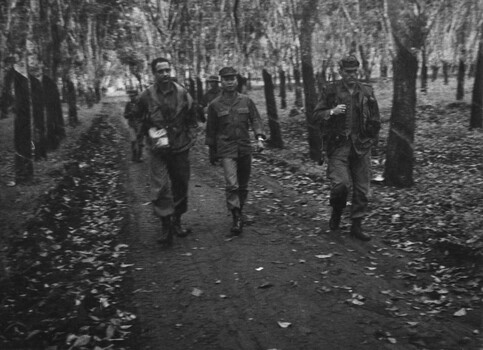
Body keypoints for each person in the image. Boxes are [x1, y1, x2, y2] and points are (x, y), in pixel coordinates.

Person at [311, 55, 381, 241]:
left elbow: (375, 120)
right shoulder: (331, 90)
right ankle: (336, 212)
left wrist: (374, 142)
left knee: (362, 188)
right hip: (338, 146)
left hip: (361, 146)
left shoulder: (366, 91)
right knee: (341, 185)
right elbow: (316, 116)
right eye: (347, 72)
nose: (351, 75)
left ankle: (356, 225)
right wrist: (331, 112)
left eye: (354, 72)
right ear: (340, 72)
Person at [135, 57, 198, 246]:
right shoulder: (145, 96)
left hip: (180, 146)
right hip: (157, 149)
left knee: (180, 184)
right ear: (154, 74)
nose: (164, 74)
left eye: (167, 70)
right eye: (160, 71)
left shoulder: (182, 93)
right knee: (160, 186)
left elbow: (192, 116)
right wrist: (147, 132)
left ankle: (177, 220)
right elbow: (137, 118)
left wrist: (191, 135)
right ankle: (165, 225)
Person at [205, 66, 266, 236]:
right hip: (226, 149)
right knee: (232, 184)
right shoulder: (215, 105)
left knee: (243, 184)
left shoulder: (246, 101)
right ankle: (236, 216)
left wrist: (259, 138)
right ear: (221, 82)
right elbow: (211, 130)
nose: (229, 82)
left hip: (244, 147)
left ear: (236, 80)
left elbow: (256, 120)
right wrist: (212, 151)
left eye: (232, 78)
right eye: (226, 79)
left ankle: (240, 208)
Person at [123, 89, 144, 162]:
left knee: (140, 142)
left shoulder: (141, 104)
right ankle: (134, 156)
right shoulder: (128, 104)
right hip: (132, 125)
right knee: (133, 140)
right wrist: (130, 114)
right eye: (130, 96)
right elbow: (125, 115)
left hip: (140, 125)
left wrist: (141, 119)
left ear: (137, 96)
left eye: (133, 96)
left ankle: (140, 156)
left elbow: (145, 114)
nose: (132, 98)